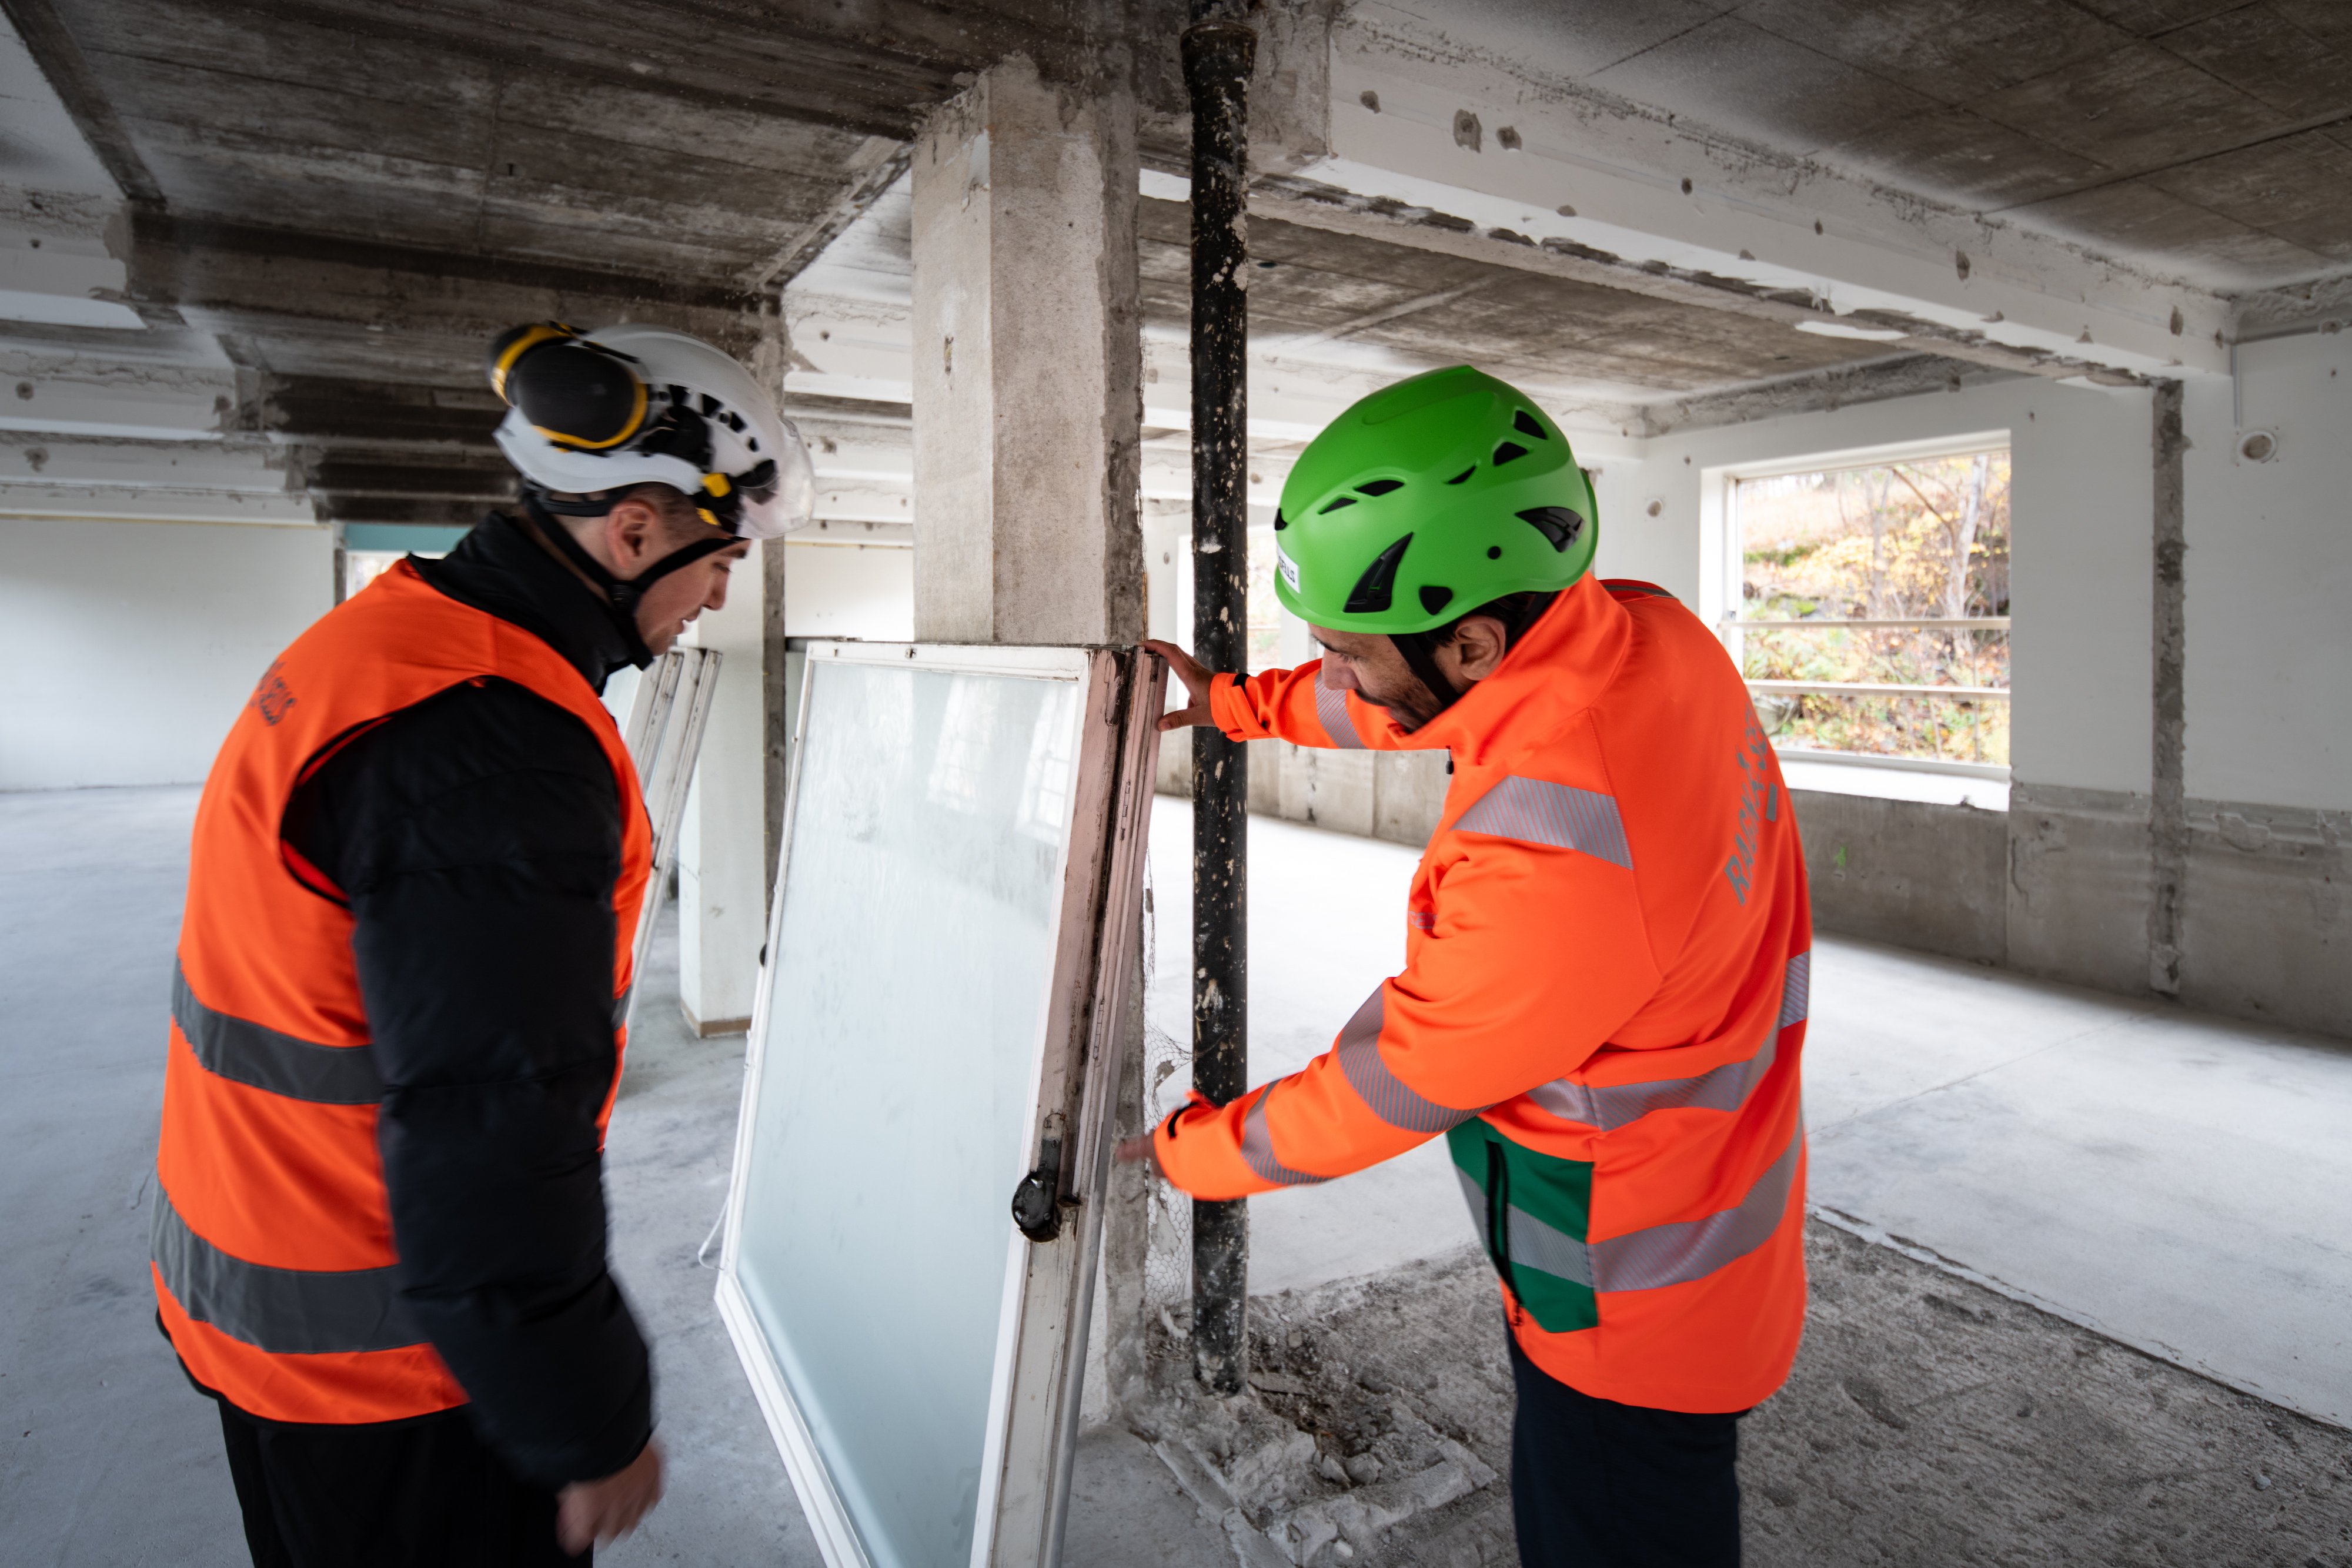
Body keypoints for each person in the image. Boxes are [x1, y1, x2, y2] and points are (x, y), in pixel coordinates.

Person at [151, 323, 812, 1566]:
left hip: (256, 1278)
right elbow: (490, 1121)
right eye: (720, 557)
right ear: (634, 531)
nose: (720, 592)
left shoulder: (386, 641)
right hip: (390, 1360)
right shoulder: (497, 744)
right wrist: (583, 1412)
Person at [1128, 365, 1810, 1567]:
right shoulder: (1640, 631)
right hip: (1686, 1215)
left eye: (1340, 650)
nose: (1332, 673)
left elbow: (1399, 1077)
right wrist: (1241, 705)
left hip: (1630, 1293)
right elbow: (1403, 698)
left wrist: (1193, 1148)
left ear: (1473, 638)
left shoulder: (1561, 853)